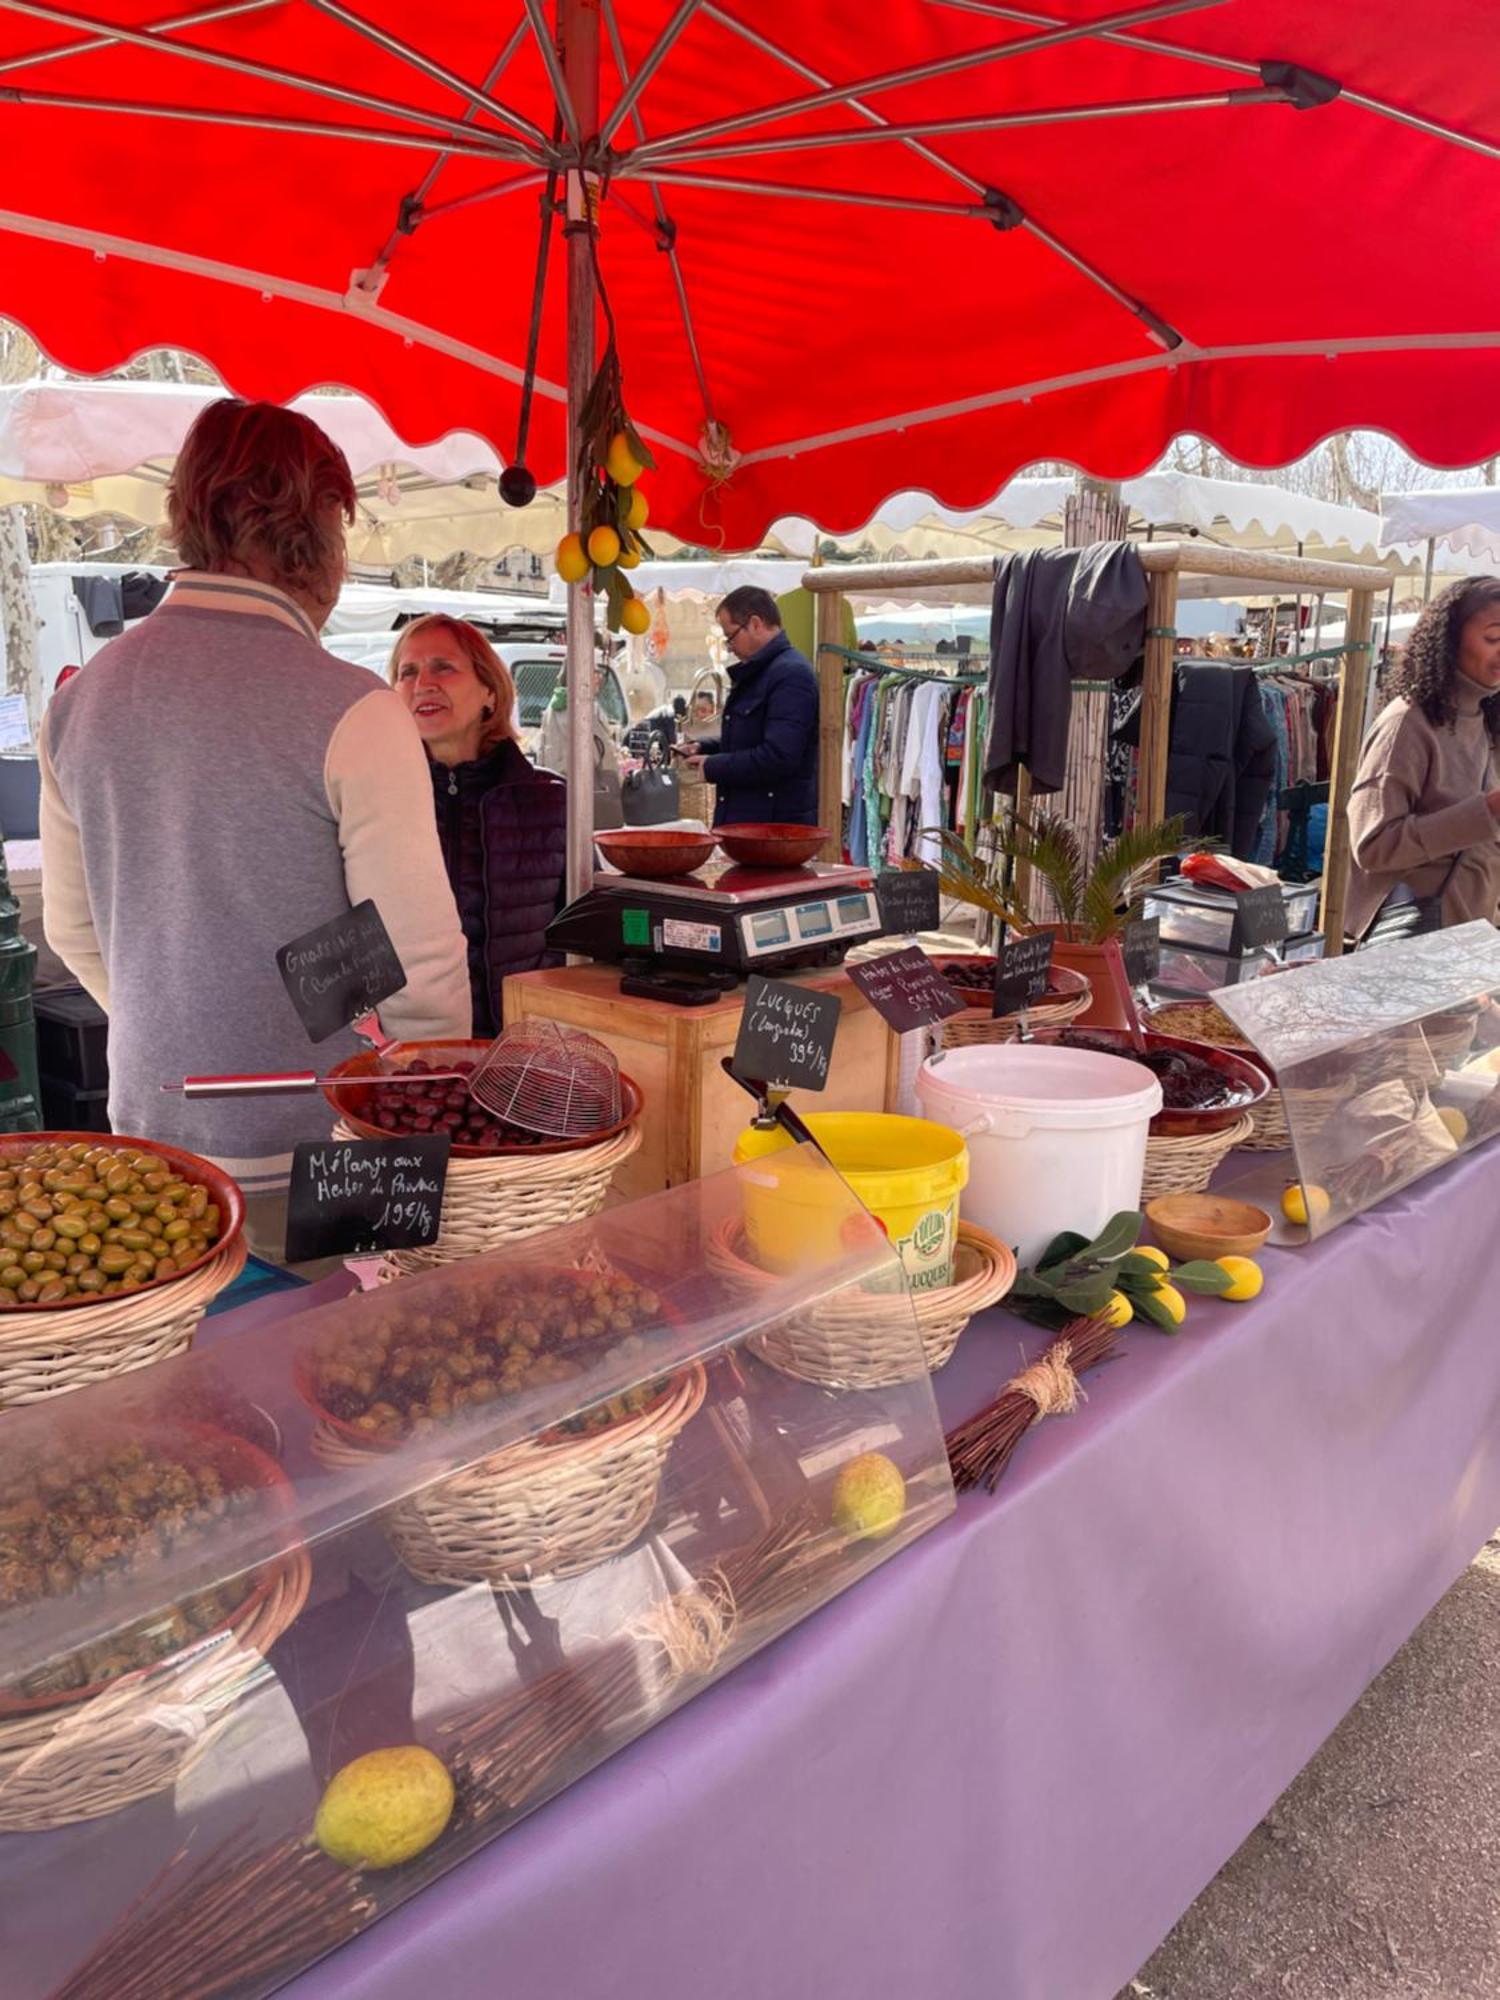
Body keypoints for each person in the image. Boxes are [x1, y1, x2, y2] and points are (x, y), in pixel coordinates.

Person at [39, 398, 471, 1196]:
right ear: (316, 537)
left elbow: (74, 929)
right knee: (336, 1324)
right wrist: (427, 1120)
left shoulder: (78, 701)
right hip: (320, 1152)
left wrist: (183, 1018)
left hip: (149, 1144)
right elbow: (419, 967)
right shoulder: (356, 708)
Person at [390, 615, 566, 1036]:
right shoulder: (375, 802)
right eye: (407, 672)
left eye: (443, 667)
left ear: (490, 691)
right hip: (414, 1056)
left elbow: (584, 936)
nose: (423, 684)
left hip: (525, 1051)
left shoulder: (550, 800)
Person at [1346, 577, 1500, 937]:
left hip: (1471, 937)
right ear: (1448, 640)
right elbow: (1372, 846)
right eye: (1493, 638)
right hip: (1417, 944)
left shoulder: (1487, 718)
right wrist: (1486, 812)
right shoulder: (1407, 723)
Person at [674, 586, 819, 825]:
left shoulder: (790, 675)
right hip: (751, 824)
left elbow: (778, 756)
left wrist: (713, 767)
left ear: (755, 624)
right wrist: (704, 747)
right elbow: (751, 738)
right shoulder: (762, 671)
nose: (729, 647)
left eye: (730, 636)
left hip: (772, 831)